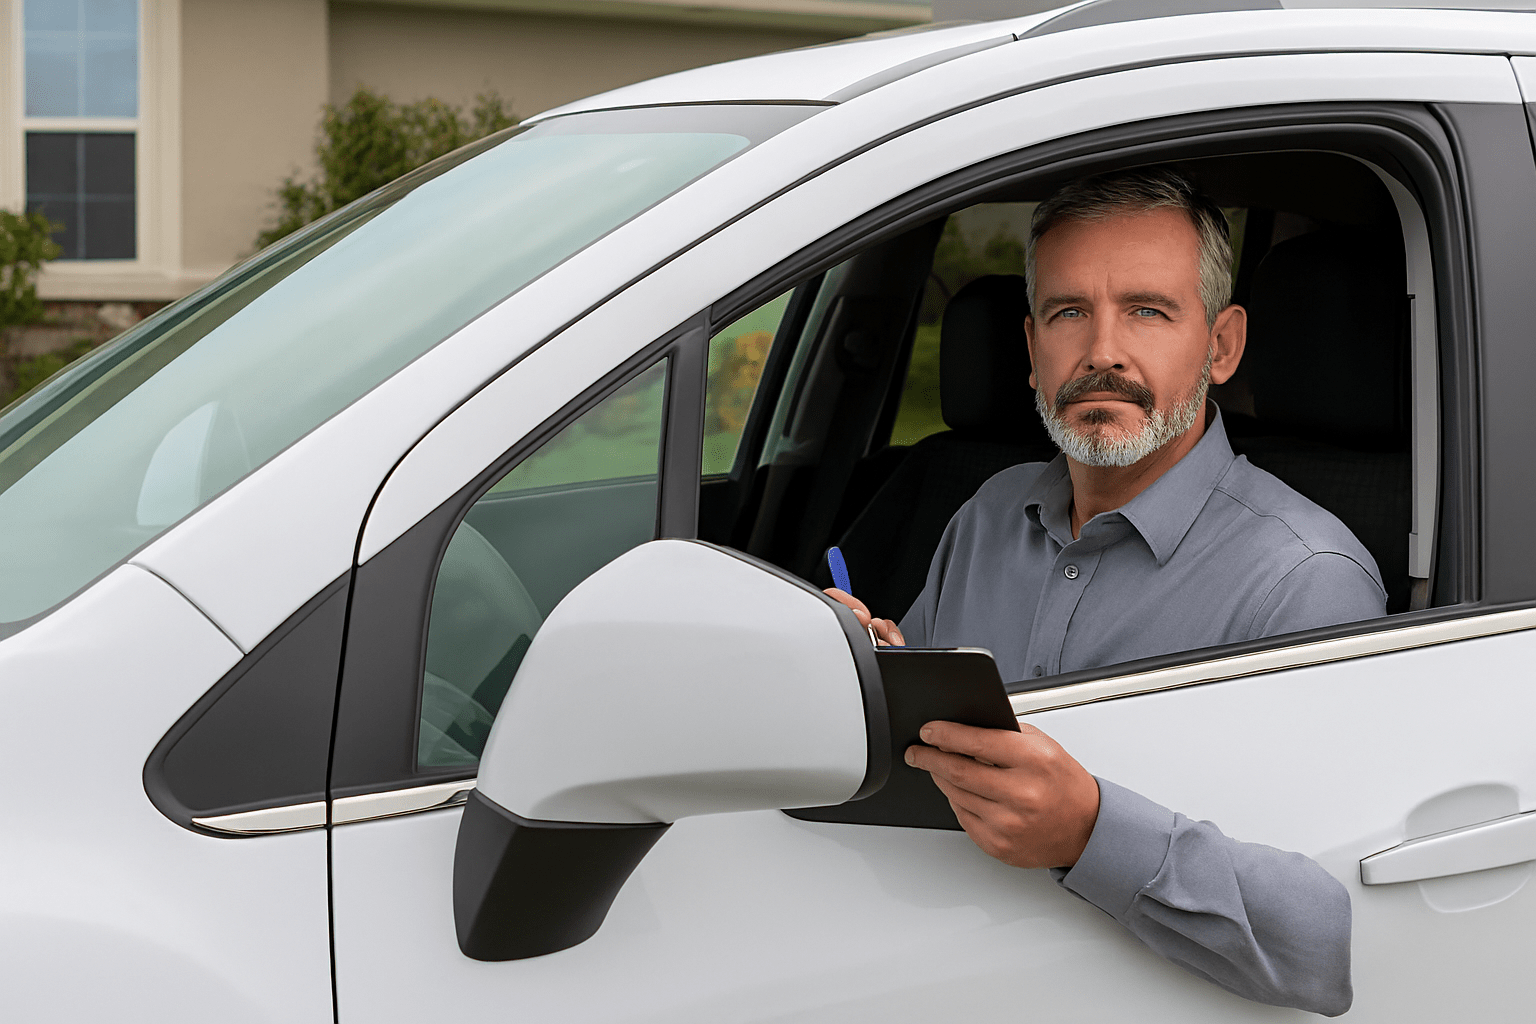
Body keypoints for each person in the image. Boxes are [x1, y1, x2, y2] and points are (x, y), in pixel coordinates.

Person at [827, 168, 1385, 1017]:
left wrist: (1090, 832)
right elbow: (937, 742)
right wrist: (876, 668)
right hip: (926, 968)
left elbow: (1324, 947)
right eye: (1068, 313)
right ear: (1031, 350)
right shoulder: (986, 513)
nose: (1102, 352)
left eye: (1148, 311)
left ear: (1223, 347)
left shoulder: (1305, 579)